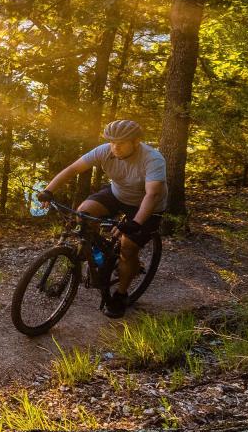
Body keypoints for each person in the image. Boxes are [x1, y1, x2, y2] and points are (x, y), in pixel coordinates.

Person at [37, 119, 167, 318]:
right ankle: (99, 254)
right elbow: (72, 169)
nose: (115, 147)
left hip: (147, 206)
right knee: (84, 213)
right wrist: (48, 190)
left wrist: (135, 223)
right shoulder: (104, 150)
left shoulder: (152, 158)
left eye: (121, 142)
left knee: (128, 247)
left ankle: (121, 294)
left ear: (136, 141)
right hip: (118, 194)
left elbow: (152, 195)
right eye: (112, 142)